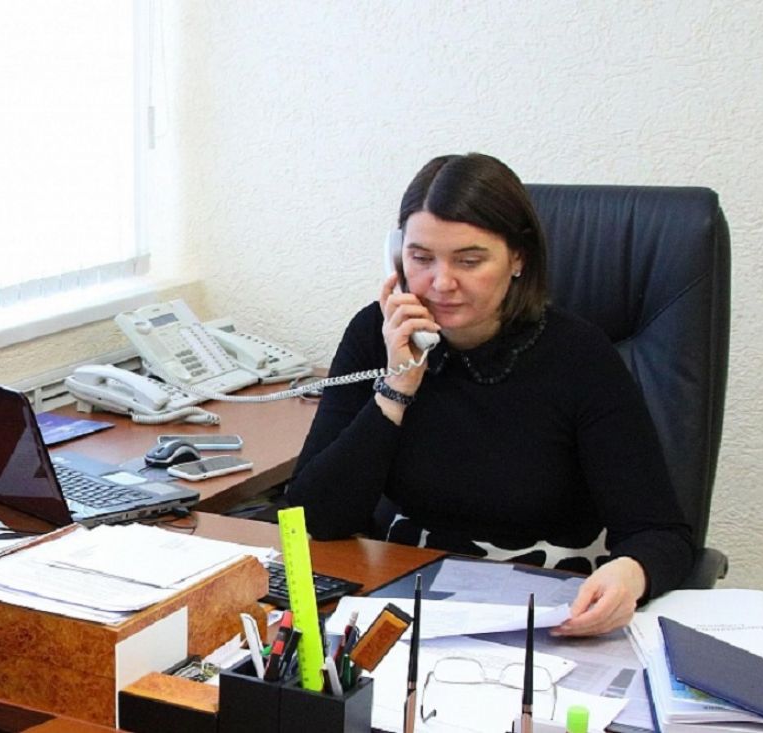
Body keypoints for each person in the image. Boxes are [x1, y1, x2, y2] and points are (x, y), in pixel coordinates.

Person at [286, 152, 694, 636]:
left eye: (469, 260)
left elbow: (661, 533)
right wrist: (397, 388)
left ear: (518, 257)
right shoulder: (377, 335)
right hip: (411, 600)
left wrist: (630, 574)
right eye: (421, 258)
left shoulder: (579, 356)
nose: (441, 283)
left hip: (550, 609)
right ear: (397, 256)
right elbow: (314, 519)